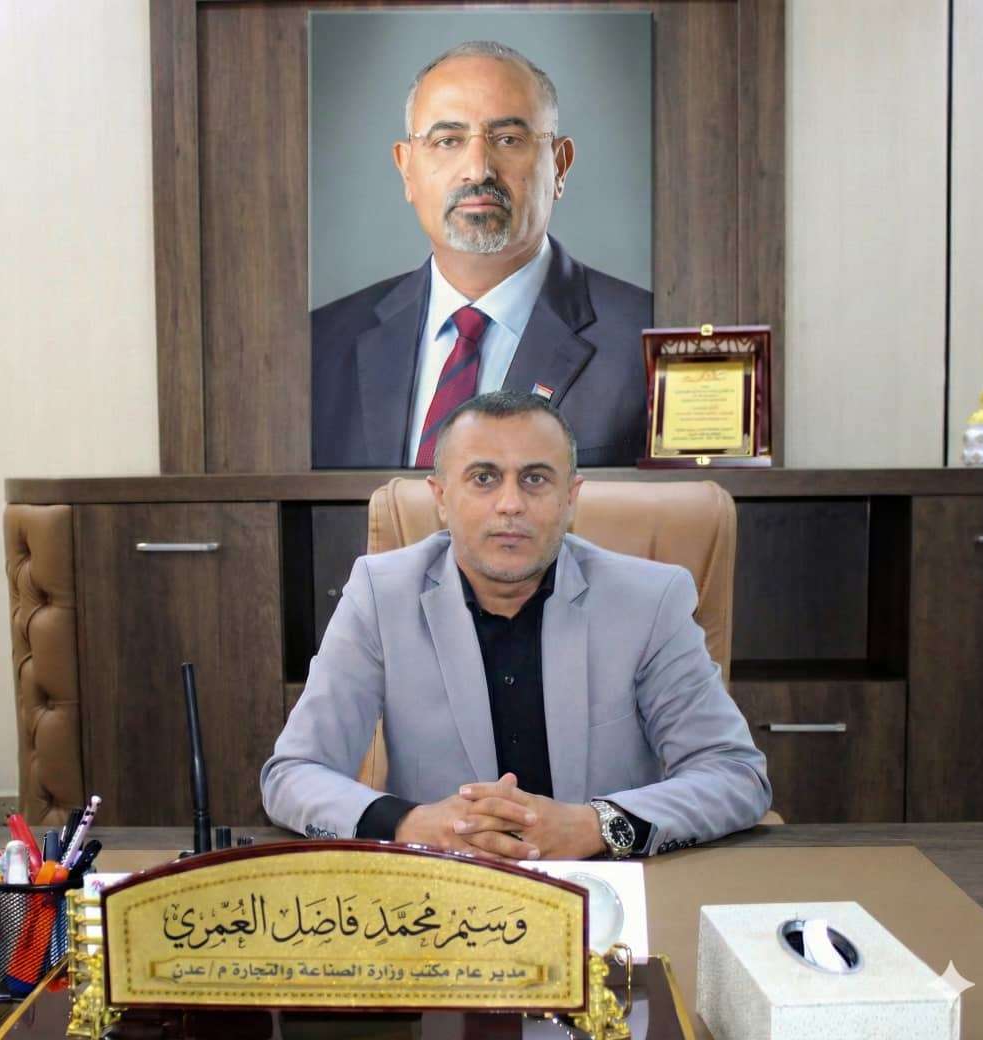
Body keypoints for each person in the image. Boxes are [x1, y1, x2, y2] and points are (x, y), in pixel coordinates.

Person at [263, 391, 771, 860]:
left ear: (570, 498)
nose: (510, 504)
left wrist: (595, 825)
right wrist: (408, 824)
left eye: (535, 479)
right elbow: (293, 773)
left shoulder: (649, 601)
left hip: (603, 886)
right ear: (440, 497)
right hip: (443, 885)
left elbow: (735, 775)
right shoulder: (381, 595)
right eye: (484, 478)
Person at [311, 40, 651, 470]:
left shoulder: (648, 343)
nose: (478, 169)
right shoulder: (318, 345)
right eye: (447, 140)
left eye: (508, 139)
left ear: (559, 166)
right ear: (406, 169)